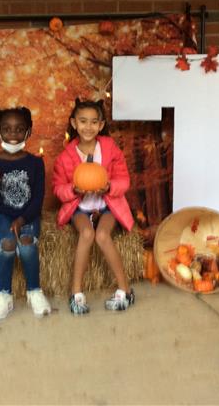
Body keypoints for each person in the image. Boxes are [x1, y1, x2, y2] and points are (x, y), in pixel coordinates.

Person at [52, 98, 135, 315]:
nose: (88, 127)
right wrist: (73, 190)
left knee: (102, 236)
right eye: (83, 121)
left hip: (107, 205)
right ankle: (76, 294)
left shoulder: (110, 149)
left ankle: (125, 290)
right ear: (74, 123)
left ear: (101, 125)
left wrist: (109, 187)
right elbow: (58, 189)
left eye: (93, 122)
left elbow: (124, 180)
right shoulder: (65, 157)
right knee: (87, 233)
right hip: (80, 208)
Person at [0, 106, 51, 321]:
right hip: (2, 214)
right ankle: (4, 295)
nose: (13, 134)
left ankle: (34, 291)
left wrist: (22, 219)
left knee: (27, 244)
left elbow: (38, 200)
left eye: (19, 129)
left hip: (27, 214)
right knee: (7, 244)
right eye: (7, 129)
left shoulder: (36, 163)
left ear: (28, 132)